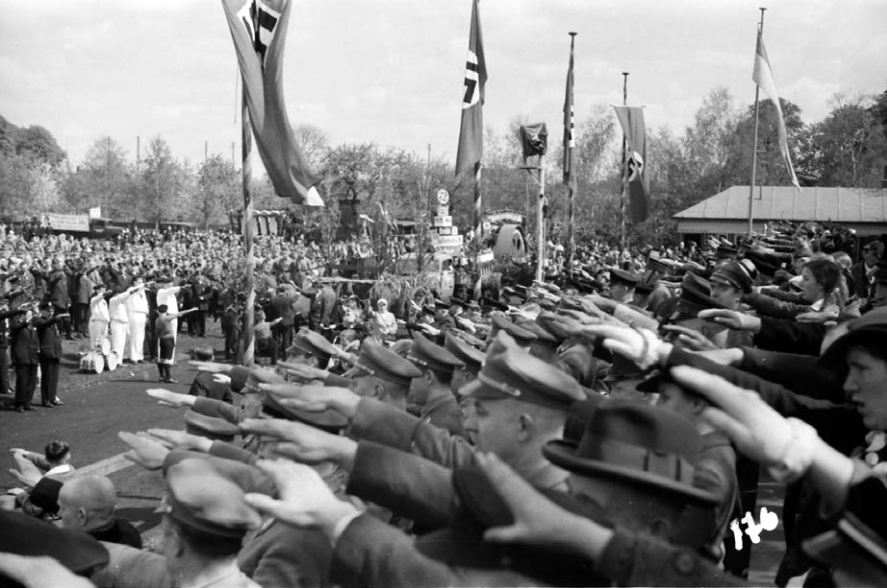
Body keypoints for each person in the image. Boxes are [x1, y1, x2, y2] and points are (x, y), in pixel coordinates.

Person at [56, 475, 143, 548]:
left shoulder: (73, 553)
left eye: (63, 509)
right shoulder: (129, 532)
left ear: (81, 515)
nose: (58, 513)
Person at [33, 302, 67, 407]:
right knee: (47, 377)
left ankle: (52, 397)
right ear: (42, 311)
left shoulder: (53, 322)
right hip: (47, 352)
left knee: (54, 377)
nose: (50, 313)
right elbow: (44, 324)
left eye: (51, 311)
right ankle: (46, 399)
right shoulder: (40, 321)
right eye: (48, 311)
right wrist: (56, 318)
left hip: (55, 351)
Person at [10, 304, 40, 413]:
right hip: (22, 356)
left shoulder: (32, 327)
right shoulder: (17, 325)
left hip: (32, 357)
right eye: (28, 315)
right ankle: (19, 403)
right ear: (23, 316)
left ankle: (27, 402)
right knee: (22, 381)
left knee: (31, 382)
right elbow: (17, 328)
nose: (30, 317)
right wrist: (26, 321)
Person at [156, 304, 196, 383]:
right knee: (167, 359)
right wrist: (190, 310)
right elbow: (179, 313)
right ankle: (168, 377)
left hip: (162, 339)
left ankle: (161, 376)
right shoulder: (167, 318)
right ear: (166, 310)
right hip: (169, 339)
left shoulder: (157, 319)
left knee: (161, 358)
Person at [125, 276, 150, 363]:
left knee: (141, 336)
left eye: (141, 282)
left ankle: (140, 356)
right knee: (134, 336)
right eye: (139, 282)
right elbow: (134, 289)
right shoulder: (131, 289)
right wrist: (143, 285)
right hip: (134, 313)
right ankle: (133, 357)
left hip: (142, 314)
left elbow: (145, 304)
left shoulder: (142, 291)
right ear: (134, 282)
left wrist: (147, 314)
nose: (141, 284)